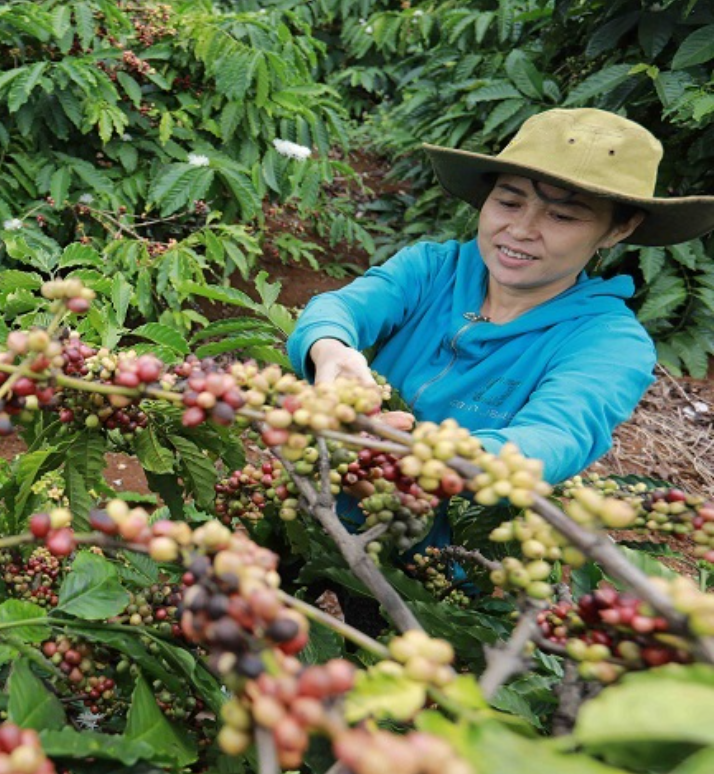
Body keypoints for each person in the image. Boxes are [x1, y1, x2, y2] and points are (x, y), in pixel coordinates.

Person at [287, 108, 714, 547]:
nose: (521, 229)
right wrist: (332, 350)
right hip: (320, 496)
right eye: (509, 202)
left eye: (563, 217)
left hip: (447, 566)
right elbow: (340, 309)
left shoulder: (610, 344)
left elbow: (555, 436)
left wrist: (431, 459)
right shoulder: (432, 268)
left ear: (619, 228)